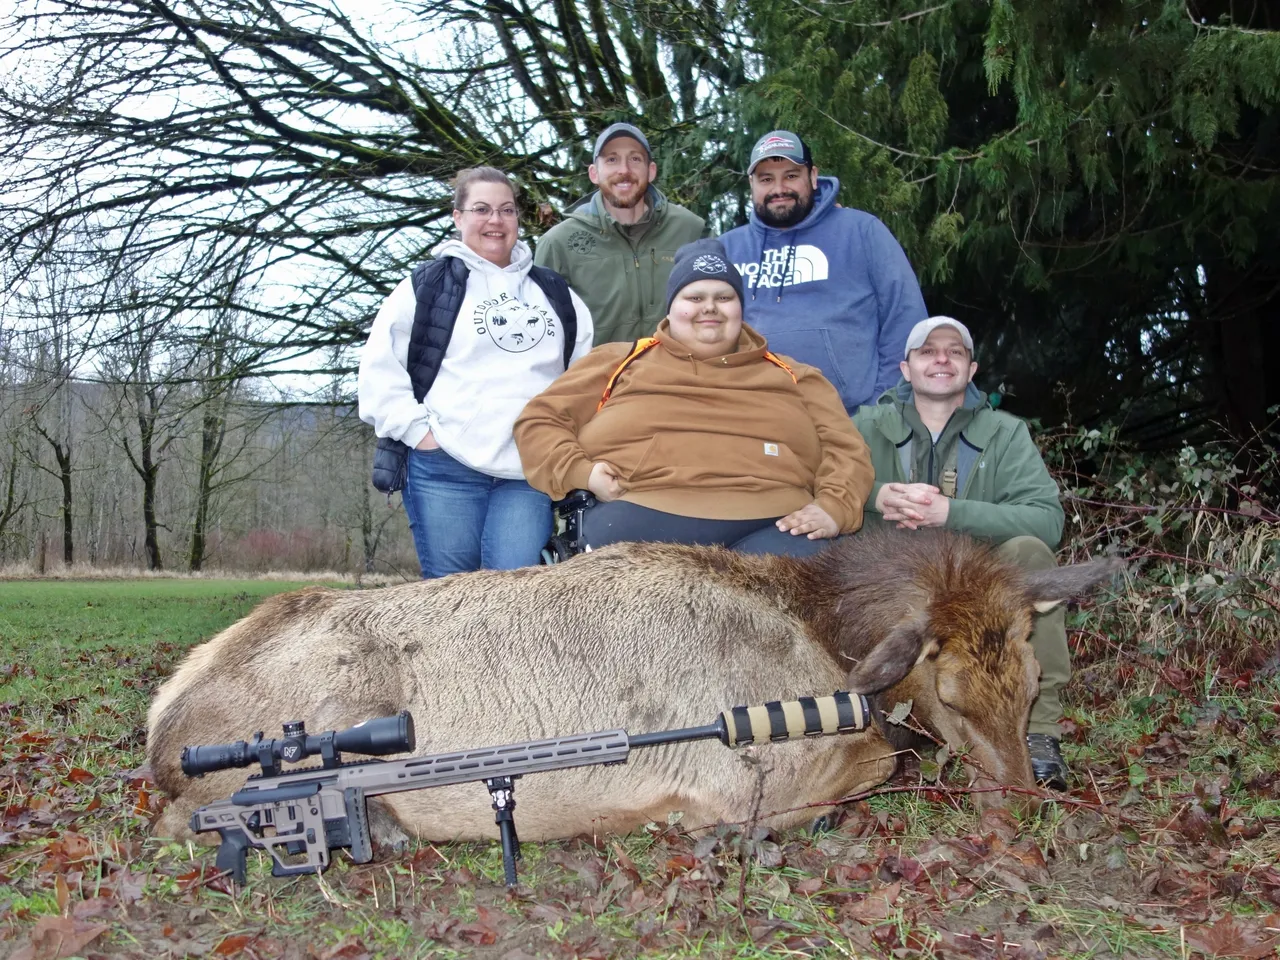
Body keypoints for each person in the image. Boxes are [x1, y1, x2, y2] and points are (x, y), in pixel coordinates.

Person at [513, 239, 873, 556]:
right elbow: (539, 421)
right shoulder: (618, 361)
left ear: (740, 307)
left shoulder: (797, 376)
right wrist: (583, 472)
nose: (710, 308)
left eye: (724, 297)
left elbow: (845, 449)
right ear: (671, 307)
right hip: (641, 512)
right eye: (695, 297)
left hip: (775, 523)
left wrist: (834, 506)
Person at [851, 316, 1072, 788]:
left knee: (1030, 552)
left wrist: (952, 512)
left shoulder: (1006, 434)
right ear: (905, 369)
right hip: (885, 585)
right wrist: (874, 497)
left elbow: (1047, 520)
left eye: (954, 351)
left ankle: (1038, 731)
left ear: (971, 370)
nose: (941, 359)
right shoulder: (862, 426)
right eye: (928, 351)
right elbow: (809, 484)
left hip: (967, 591)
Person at [358, 167, 594, 578]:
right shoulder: (426, 287)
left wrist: (563, 444)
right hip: (444, 469)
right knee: (449, 600)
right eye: (481, 209)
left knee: (512, 598)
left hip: (526, 473)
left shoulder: (555, 294)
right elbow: (380, 372)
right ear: (458, 217)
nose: (495, 220)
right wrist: (421, 436)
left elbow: (583, 379)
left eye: (506, 209)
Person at [719, 130, 929, 414]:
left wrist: (883, 405)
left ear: (813, 177)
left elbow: (905, 318)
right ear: (752, 184)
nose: (779, 188)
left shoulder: (861, 231)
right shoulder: (727, 248)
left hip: (855, 420)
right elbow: (708, 334)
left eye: (791, 176)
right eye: (766, 179)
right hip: (759, 421)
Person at [534, 122, 706, 345]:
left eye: (635, 159)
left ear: (651, 170)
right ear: (594, 173)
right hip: (600, 376)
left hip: (676, 376)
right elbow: (544, 334)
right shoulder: (558, 244)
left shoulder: (690, 230)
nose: (624, 170)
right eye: (612, 159)